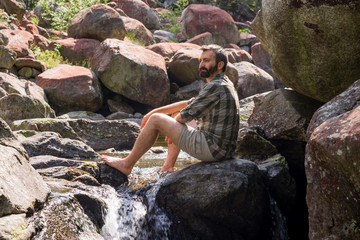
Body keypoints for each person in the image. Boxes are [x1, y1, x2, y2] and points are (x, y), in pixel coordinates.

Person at [101, 44, 240, 176]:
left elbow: (182, 117)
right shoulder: (223, 83)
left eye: (206, 61)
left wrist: (166, 123)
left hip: (213, 149)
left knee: (157, 121)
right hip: (224, 149)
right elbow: (187, 104)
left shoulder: (216, 87)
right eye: (200, 61)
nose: (202, 65)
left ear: (220, 65)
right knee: (164, 116)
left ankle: (127, 164)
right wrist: (154, 112)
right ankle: (168, 166)